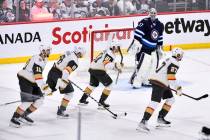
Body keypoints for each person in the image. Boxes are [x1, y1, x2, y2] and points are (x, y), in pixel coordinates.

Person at [136, 47, 184, 132]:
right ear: (178, 55)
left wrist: (176, 87)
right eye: (181, 55)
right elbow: (171, 77)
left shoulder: (169, 59)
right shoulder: (175, 62)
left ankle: (160, 118)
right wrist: (178, 88)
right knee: (154, 102)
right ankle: (143, 122)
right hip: (159, 82)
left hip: (162, 82)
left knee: (171, 99)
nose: (181, 57)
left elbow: (167, 75)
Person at [10, 45, 52, 128]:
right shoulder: (38, 60)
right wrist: (45, 88)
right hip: (25, 79)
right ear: (42, 51)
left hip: (33, 81)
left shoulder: (44, 59)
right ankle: (14, 118)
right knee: (28, 101)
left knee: (40, 100)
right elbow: (38, 76)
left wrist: (44, 88)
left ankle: (23, 115)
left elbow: (37, 76)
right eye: (47, 50)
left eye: (49, 50)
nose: (49, 52)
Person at [78, 40, 123, 109]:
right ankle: (101, 103)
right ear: (113, 47)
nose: (118, 49)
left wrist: (116, 68)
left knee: (92, 85)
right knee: (109, 85)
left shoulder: (107, 51)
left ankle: (82, 100)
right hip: (99, 70)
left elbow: (106, 63)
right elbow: (107, 65)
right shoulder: (110, 54)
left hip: (92, 68)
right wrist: (116, 65)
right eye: (118, 47)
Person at [129, 8, 164, 88]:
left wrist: (159, 48)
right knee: (143, 66)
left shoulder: (160, 24)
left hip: (153, 49)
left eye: (154, 13)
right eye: (151, 13)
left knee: (152, 66)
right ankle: (136, 81)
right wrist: (136, 44)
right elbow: (138, 35)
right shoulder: (144, 22)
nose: (153, 14)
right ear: (149, 13)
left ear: (156, 13)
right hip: (144, 48)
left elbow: (160, 37)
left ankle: (147, 80)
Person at [46, 46, 86, 118]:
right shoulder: (75, 61)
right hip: (60, 76)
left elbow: (61, 62)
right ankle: (61, 110)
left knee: (47, 91)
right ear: (79, 53)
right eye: (82, 54)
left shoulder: (68, 52)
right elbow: (66, 71)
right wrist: (64, 79)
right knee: (70, 93)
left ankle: (29, 100)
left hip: (52, 71)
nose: (83, 55)